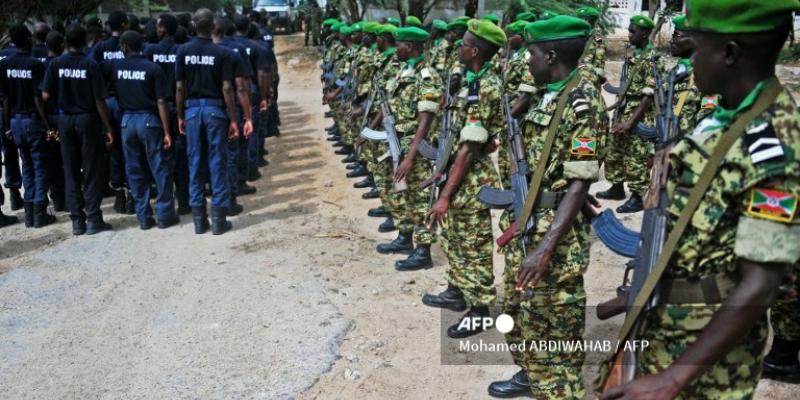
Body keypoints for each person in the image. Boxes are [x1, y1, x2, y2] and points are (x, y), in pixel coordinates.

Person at [599, 1, 800, 398]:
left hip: (706, 364)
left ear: (728, 53)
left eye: (696, 51)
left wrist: (673, 378)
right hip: (667, 324)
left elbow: (760, 285)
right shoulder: (724, 114)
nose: (690, 65)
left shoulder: (773, 146)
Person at [488, 16, 606, 399]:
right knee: (518, 318)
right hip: (525, 223)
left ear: (551, 54)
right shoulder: (544, 93)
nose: (527, 62)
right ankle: (530, 375)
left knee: (554, 335)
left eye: (532, 54)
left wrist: (546, 248)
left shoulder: (583, 104)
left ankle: (556, 389)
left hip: (553, 238)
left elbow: (579, 182)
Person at [421, 19, 505, 338]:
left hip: (471, 179)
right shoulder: (469, 79)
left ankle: (481, 310)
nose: (458, 46)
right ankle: (457, 290)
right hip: (456, 174)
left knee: (473, 244)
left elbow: (469, 149)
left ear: (475, 51)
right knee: (454, 238)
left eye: (464, 43)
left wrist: (444, 195)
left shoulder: (486, 86)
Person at [175, 9, 249, 235]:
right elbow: (228, 88)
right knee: (218, 162)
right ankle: (218, 220)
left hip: (192, 111)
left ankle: (199, 221)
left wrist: (180, 116)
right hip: (215, 110)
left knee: (194, 162)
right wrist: (234, 119)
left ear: (193, 25)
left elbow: (179, 87)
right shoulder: (223, 53)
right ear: (212, 26)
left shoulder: (182, 51)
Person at [377, 26, 443, 272]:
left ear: (412, 47)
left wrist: (411, 157)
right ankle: (405, 237)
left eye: (400, 44)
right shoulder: (405, 70)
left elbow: (425, 121)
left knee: (420, 199)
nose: (397, 49)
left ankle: (423, 250)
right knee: (402, 194)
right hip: (399, 141)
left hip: (416, 146)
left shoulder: (426, 76)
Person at [41, 23, 116, 235]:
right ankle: (93, 218)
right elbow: (99, 101)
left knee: (70, 170)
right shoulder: (91, 65)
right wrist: (108, 127)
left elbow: (45, 96)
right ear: (84, 41)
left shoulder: (55, 64)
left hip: (65, 120)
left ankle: (77, 221)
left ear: (65, 41)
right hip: (88, 120)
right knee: (91, 170)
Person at [107, 30, 177, 230]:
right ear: (141, 46)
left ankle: (144, 217)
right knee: (159, 168)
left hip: (127, 122)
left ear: (124, 47)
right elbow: (161, 101)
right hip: (150, 120)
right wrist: (166, 131)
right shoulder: (153, 68)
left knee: (134, 170)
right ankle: (164, 215)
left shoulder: (115, 67)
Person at [597, 15, 661, 214]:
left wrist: (631, 122)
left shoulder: (652, 58)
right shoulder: (633, 54)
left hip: (639, 113)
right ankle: (617, 188)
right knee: (615, 150)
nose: (629, 34)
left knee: (636, 156)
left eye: (633, 31)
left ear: (644, 34)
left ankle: (636, 196)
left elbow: (649, 96)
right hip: (624, 108)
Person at [0, 25, 57, 228]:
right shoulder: (35, 65)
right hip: (32, 120)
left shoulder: (4, 64)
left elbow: (5, 99)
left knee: (27, 165)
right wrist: (48, 125)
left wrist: (7, 126)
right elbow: (38, 99)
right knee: (39, 165)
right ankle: (40, 210)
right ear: (28, 39)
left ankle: (30, 211)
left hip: (14, 121)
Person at [145, 13, 190, 215]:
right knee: (182, 156)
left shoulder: (149, 51)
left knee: (161, 157)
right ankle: (184, 202)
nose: (156, 28)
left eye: (159, 25)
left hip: (157, 110)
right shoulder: (183, 51)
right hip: (179, 107)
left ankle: (165, 205)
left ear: (163, 29)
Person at [91, 11, 133, 215]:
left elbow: (92, 71)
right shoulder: (131, 42)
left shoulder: (100, 47)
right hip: (126, 102)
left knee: (113, 149)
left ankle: (119, 196)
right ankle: (132, 194)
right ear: (125, 24)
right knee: (130, 149)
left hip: (106, 103)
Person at [212, 15, 254, 217]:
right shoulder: (233, 52)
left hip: (197, 112)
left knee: (205, 157)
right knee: (229, 156)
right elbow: (240, 88)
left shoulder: (188, 50)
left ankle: (204, 209)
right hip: (225, 110)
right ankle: (228, 201)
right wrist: (245, 116)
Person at [668, 14, 716, 136]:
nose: (671, 40)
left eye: (676, 36)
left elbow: (707, 115)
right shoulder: (674, 70)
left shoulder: (706, 75)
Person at [42, 31, 65, 212]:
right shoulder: (63, 64)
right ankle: (66, 199)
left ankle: (57, 199)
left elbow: (41, 97)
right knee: (68, 159)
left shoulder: (41, 66)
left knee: (53, 160)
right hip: (63, 116)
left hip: (48, 117)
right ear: (62, 45)